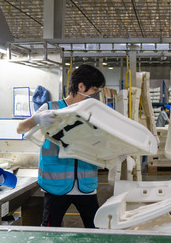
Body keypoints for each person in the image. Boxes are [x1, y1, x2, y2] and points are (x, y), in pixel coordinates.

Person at [17, 64, 105, 228]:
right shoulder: (50, 109)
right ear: (81, 86)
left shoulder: (95, 113)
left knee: (96, 231)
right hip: (56, 186)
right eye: (94, 90)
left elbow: (103, 142)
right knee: (50, 232)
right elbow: (20, 128)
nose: (96, 95)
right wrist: (36, 119)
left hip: (86, 185)